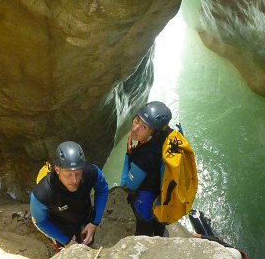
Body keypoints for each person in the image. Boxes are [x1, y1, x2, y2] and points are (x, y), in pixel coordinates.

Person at [30, 141, 109, 250]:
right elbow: (41, 221)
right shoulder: (42, 194)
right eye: (68, 174)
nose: (74, 180)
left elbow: (103, 190)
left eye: (78, 173)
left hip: (85, 217)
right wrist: (66, 241)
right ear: (57, 169)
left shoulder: (91, 172)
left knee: (87, 244)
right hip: (59, 227)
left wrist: (94, 223)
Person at [120, 100, 172, 237]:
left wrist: (128, 155)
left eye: (144, 127)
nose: (135, 128)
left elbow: (126, 186)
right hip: (162, 197)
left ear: (153, 133)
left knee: (143, 229)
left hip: (145, 203)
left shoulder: (144, 158)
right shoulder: (167, 136)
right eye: (137, 120)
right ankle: (161, 234)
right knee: (158, 223)